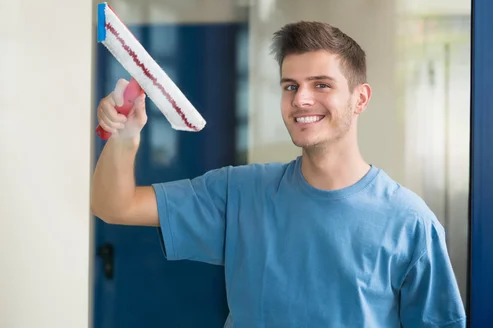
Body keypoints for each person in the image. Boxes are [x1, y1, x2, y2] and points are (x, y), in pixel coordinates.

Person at [91, 21, 466, 328]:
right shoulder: (240, 193)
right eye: (291, 86)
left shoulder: (409, 222)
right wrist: (125, 138)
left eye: (321, 84)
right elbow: (114, 206)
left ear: (360, 98)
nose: (301, 99)